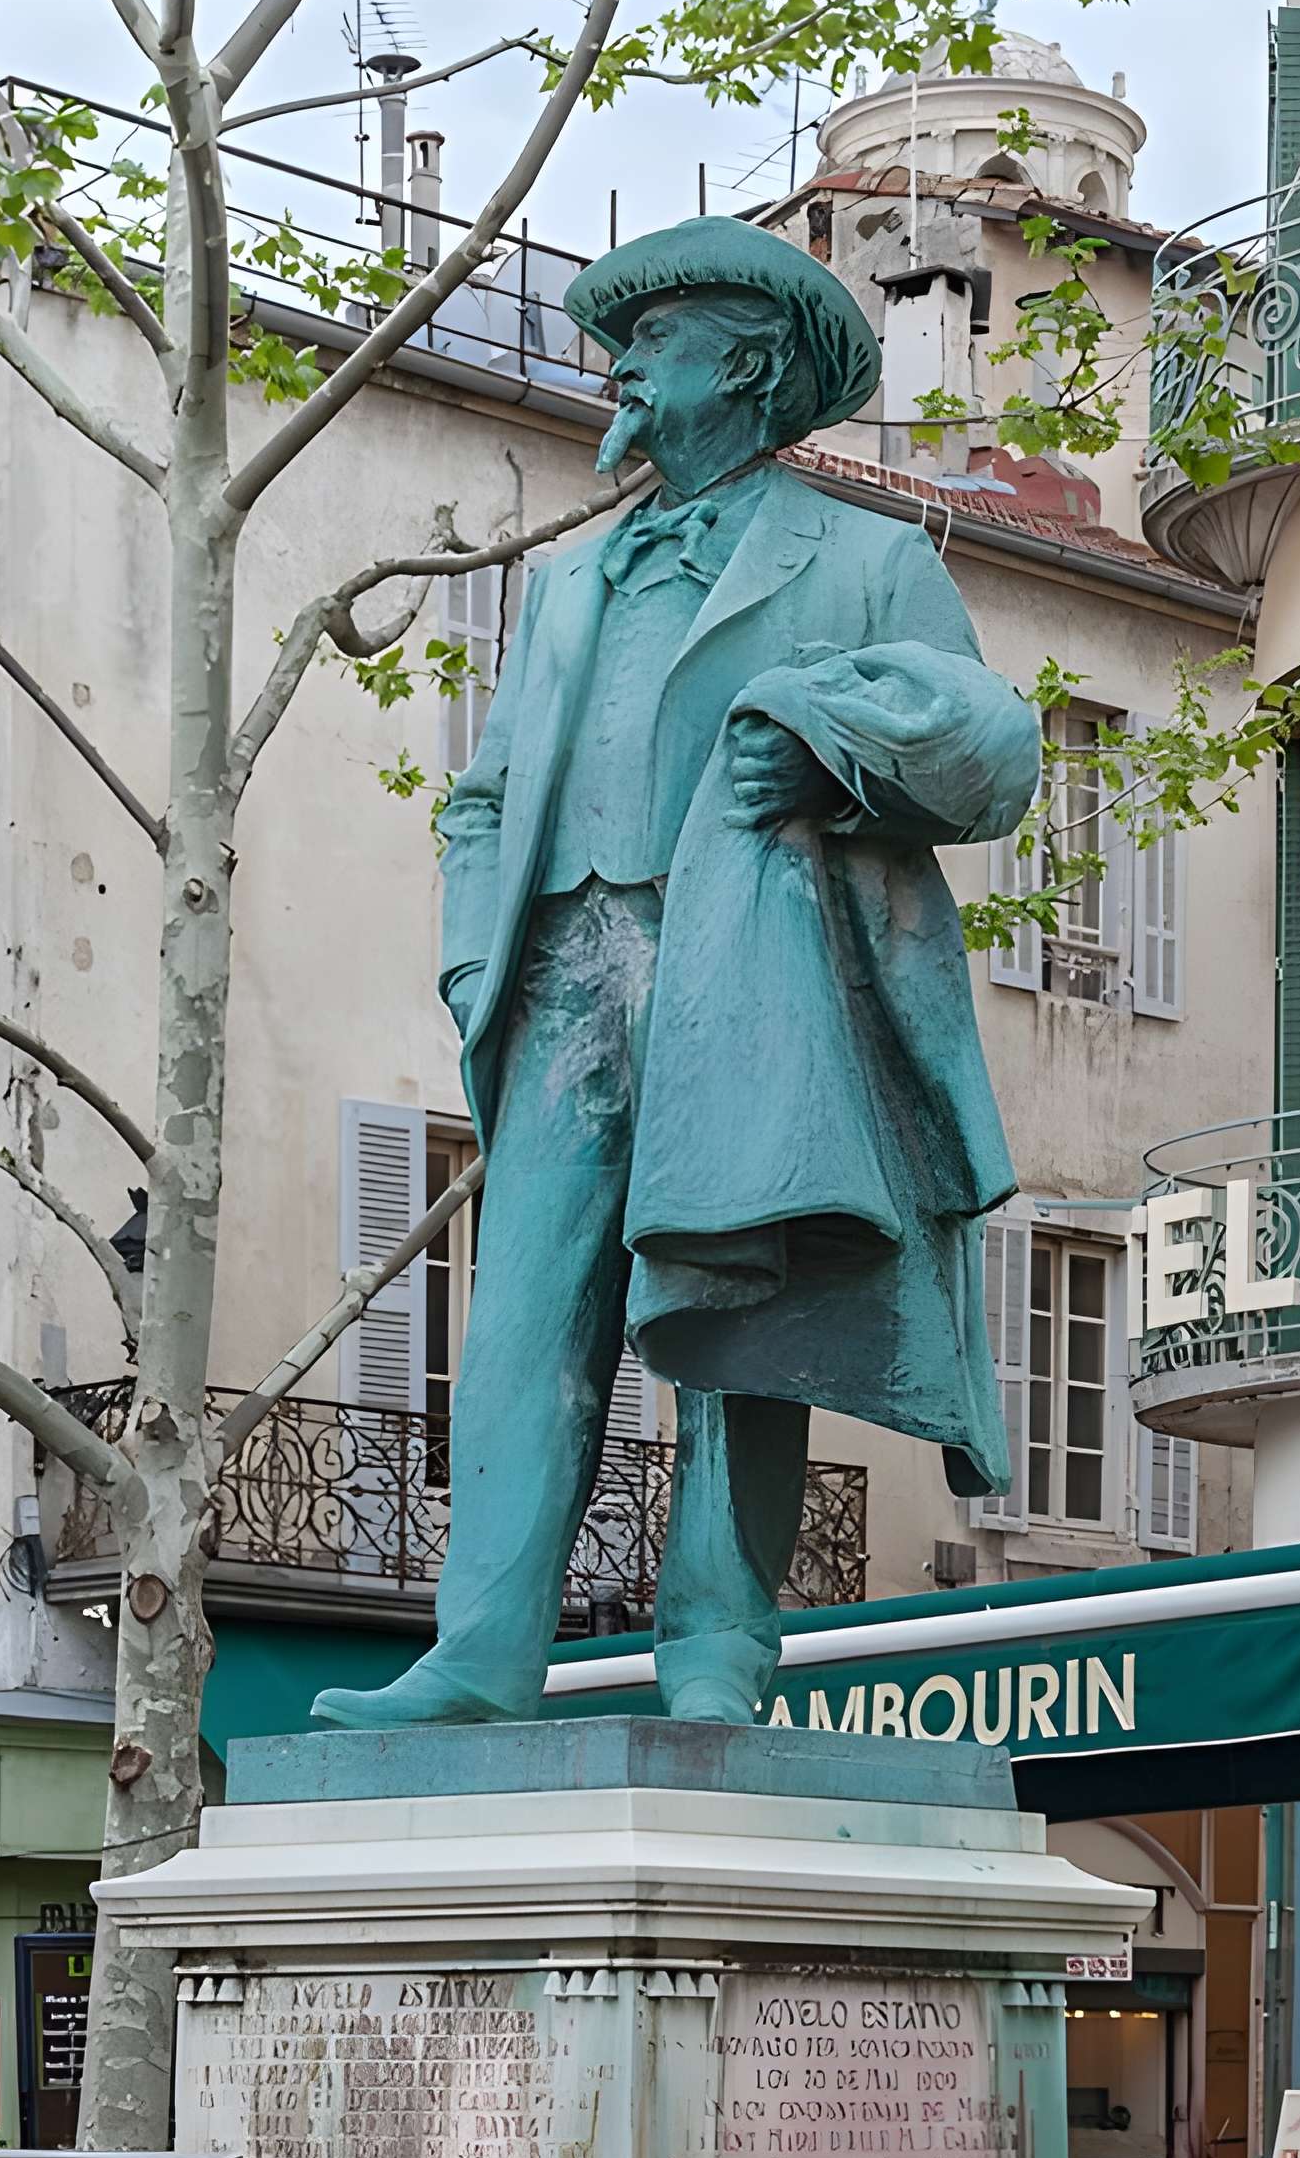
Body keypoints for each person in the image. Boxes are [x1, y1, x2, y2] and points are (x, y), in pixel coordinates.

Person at [313, 216, 1040, 1733]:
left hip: (759, 977)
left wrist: (837, 751)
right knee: (518, 1315)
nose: (622, 370)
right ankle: (481, 1654)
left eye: (654, 342)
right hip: (562, 975)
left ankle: (719, 1648)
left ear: (749, 365)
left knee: (741, 1302)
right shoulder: (573, 583)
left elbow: (995, 752)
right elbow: (489, 791)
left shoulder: (864, 556)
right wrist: (472, 963)